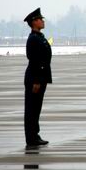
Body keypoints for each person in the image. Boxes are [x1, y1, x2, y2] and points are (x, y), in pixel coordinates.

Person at [23, 8, 51, 147]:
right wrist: (36, 81)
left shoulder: (39, 37)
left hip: (40, 78)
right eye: (40, 19)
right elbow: (34, 60)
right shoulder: (33, 39)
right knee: (31, 109)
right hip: (35, 79)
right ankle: (31, 138)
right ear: (34, 22)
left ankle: (35, 135)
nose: (43, 21)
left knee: (36, 108)